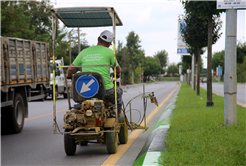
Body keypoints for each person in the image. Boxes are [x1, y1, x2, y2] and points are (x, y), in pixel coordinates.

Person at [66, 30, 123, 117]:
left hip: (83, 91)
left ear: (98, 39)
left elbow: (70, 69)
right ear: (109, 44)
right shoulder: (110, 52)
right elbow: (118, 70)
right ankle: (117, 118)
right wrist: (118, 74)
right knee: (118, 95)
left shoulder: (84, 52)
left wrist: (69, 76)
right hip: (105, 90)